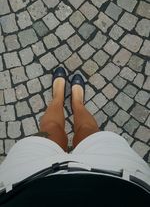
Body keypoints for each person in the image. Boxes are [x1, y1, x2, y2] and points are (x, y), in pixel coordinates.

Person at [0, 67, 149, 206]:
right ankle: (77, 104)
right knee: (89, 131)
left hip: (21, 182)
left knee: (49, 129)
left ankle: (59, 99)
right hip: (120, 180)